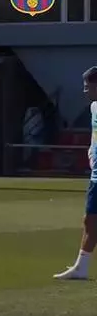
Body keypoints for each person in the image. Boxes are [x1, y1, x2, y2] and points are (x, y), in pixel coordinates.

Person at [53, 66, 97, 280]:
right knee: (90, 220)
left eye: (88, 86)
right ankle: (81, 267)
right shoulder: (94, 108)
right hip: (96, 176)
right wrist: (91, 151)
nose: (84, 90)